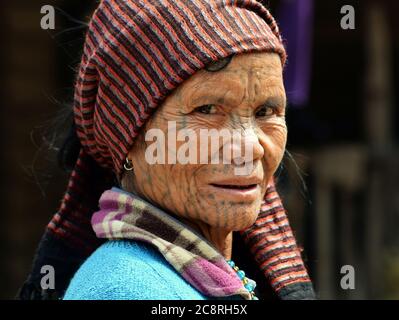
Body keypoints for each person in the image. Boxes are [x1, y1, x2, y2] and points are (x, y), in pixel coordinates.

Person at [19, 0, 315, 300]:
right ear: (128, 138)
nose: (250, 147)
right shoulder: (124, 290)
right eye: (207, 109)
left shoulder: (204, 276)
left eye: (266, 111)